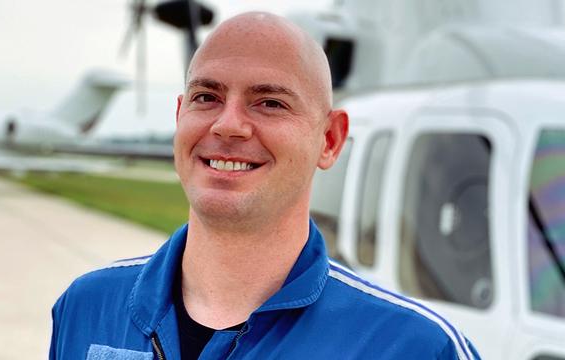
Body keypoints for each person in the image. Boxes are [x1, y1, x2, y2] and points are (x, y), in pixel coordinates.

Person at [49, 12, 480, 360]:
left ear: (329, 140)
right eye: (207, 97)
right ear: (179, 116)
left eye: (270, 102)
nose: (228, 124)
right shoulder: (86, 306)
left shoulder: (415, 347)